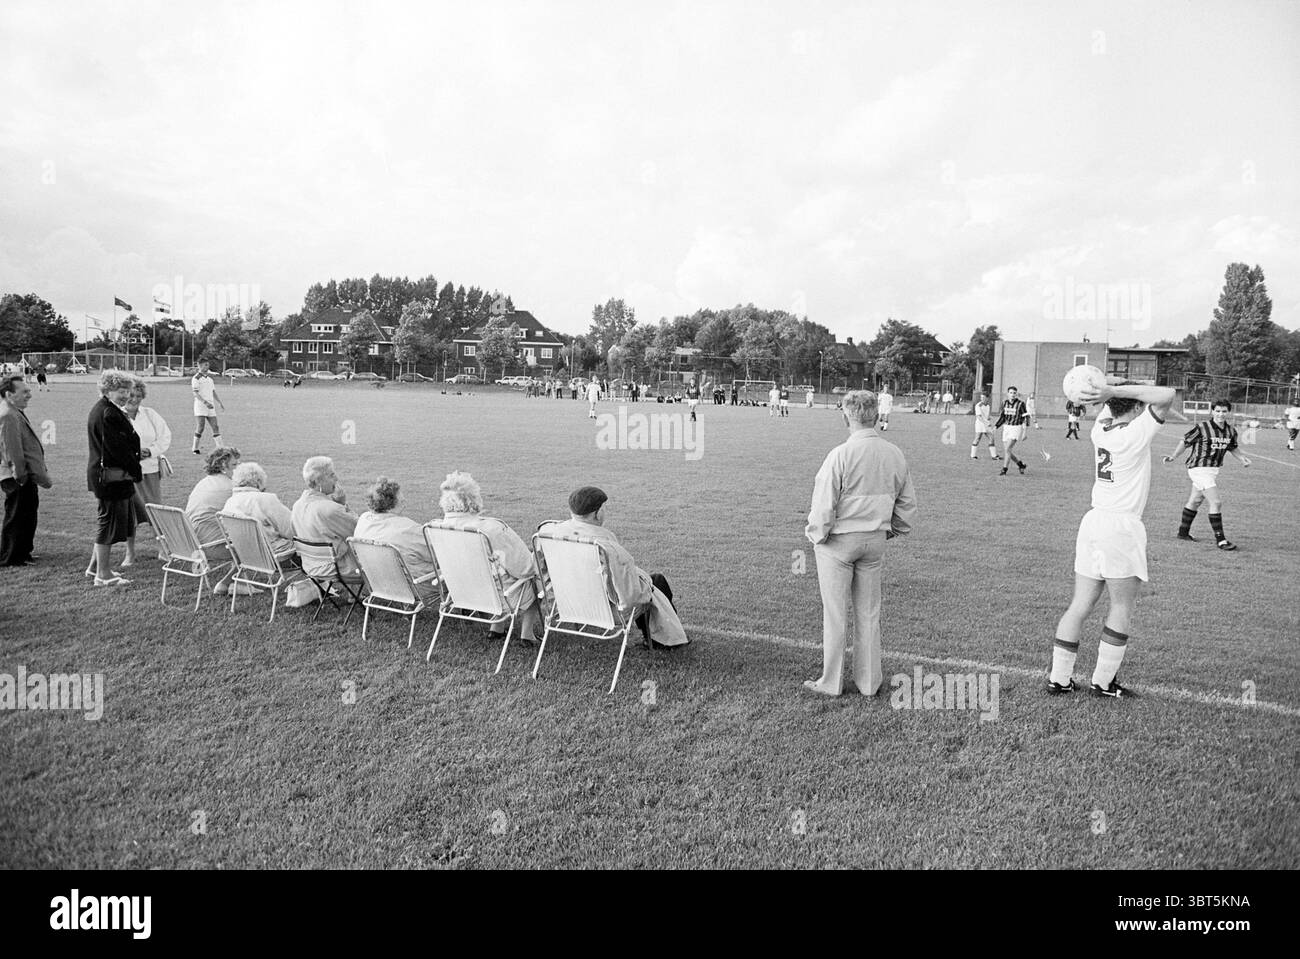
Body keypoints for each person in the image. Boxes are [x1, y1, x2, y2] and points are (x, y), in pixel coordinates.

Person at [1048, 380, 1175, 699]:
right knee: (1121, 606)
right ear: (1136, 406)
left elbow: (1118, 405)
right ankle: (1103, 683)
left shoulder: (1100, 428)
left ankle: (1059, 679)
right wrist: (1116, 390)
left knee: (1079, 605)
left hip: (1093, 521)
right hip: (1121, 526)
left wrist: (1108, 391)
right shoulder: (1135, 432)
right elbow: (1167, 395)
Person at [804, 390, 917, 697]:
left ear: (846, 417)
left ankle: (831, 682)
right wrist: (891, 530)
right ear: (877, 416)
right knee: (868, 613)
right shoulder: (894, 453)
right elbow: (906, 504)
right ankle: (868, 683)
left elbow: (824, 505)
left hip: (839, 542)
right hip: (874, 540)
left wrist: (817, 535)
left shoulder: (840, 454)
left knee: (836, 614)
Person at [547, 486, 686, 648]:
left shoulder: (550, 534)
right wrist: (646, 584)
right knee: (656, 582)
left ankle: (662, 636)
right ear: (597, 513)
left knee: (649, 582)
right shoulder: (606, 547)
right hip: (605, 612)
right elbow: (629, 597)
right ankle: (663, 640)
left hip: (567, 605)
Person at [435, 471, 544, 639]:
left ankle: (497, 628)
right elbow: (525, 569)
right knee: (534, 578)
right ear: (474, 499)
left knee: (494, 573)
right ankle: (527, 635)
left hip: (462, 592)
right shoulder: (492, 529)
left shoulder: (437, 528)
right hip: (499, 596)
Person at [1163, 400, 1251, 550]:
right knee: (1216, 502)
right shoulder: (1202, 427)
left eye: (1224, 411)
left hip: (1212, 470)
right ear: (1212, 411)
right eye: (1218, 411)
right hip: (1199, 468)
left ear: (1228, 412)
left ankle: (1183, 533)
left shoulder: (1231, 430)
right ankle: (1221, 540)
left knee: (1195, 500)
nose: (1221, 414)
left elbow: (1232, 447)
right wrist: (1173, 456)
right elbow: (1185, 441)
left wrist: (1242, 458)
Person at [85, 370, 142, 586]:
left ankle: (94, 568)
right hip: (111, 478)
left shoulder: (106, 409)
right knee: (107, 523)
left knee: (107, 521)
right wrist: (135, 470)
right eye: (121, 391)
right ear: (107, 390)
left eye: (128, 391)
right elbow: (117, 449)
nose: (126, 395)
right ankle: (103, 574)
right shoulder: (108, 412)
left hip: (109, 476)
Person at [352, 475, 438, 599]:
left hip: (378, 583)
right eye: (401, 498)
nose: (404, 500)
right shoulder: (406, 529)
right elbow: (438, 553)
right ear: (391, 503)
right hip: (416, 587)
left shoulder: (364, 520)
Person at [0, 374, 52, 567]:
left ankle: (23, 552)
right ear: (9, 394)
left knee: (27, 514)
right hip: (17, 476)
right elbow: (12, 450)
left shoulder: (14, 411)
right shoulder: (8, 415)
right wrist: (20, 476)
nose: (29, 395)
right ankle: (12, 557)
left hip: (23, 475)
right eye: (24, 392)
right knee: (17, 516)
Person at [124, 376, 172, 563]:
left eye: (138, 396)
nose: (134, 399)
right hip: (127, 473)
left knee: (155, 511)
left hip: (150, 470)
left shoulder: (150, 414)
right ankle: (130, 553)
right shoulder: (117, 415)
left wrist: (151, 451)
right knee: (130, 513)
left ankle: (162, 550)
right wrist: (133, 454)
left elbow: (165, 437)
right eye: (130, 395)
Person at [185, 446, 242, 593]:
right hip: (210, 546)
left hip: (190, 542)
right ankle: (227, 583)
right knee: (253, 541)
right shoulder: (230, 487)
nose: (239, 468)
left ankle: (237, 579)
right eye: (235, 464)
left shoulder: (203, 482)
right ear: (223, 465)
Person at [292, 455, 359, 576]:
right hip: (338, 567)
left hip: (310, 565)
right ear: (318, 481)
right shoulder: (330, 509)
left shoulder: (297, 505)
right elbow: (359, 530)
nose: (336, 478)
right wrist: (343, 504)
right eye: (331, 475)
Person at [224, 462, 297, 560]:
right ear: (258, 481)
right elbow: (291, 529)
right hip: (276, 555)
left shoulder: (230, 502)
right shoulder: (266, 499)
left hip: (246, 556)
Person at [993, 385, 1031, 475]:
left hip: (1016, 428)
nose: (1013, 394)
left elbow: (1026, 417)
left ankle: (1004, 469)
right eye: (1011, 393)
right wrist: (996, 426)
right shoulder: (1004, 403)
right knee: (1008, 451)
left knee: (1007, 449)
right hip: (1006, 428)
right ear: (1007, 394)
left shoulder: (1020, 404)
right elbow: (1002, 417)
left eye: (1014, 393)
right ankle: (1021, 465)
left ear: (1016, 394)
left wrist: (1024, 432)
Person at [191, 360, 225, 454]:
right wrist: (205, 402)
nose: (207, 366)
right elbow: (195, 393)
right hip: (200, 406)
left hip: (211, 406)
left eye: (208, 365)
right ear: (200, 366)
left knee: (215, 426)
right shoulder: (196, 378)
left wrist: (219, 402)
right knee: (200, 427)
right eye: (205, 365)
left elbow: (213, 392)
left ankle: (220, 448)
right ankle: (195, 448)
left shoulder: (210, 379)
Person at [970, 392, 997, 459]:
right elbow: (979, 417)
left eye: (983, 397)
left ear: (987, 398)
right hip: (980, 424)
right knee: (977, 438)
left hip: (986, 424)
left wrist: (989, 418)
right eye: (981, 397)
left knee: (991, 438)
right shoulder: (978, 405)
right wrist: (986, 423)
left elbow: (986, 416)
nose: (982, 399)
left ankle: (994, 456)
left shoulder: (988, 405)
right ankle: (973, 455)